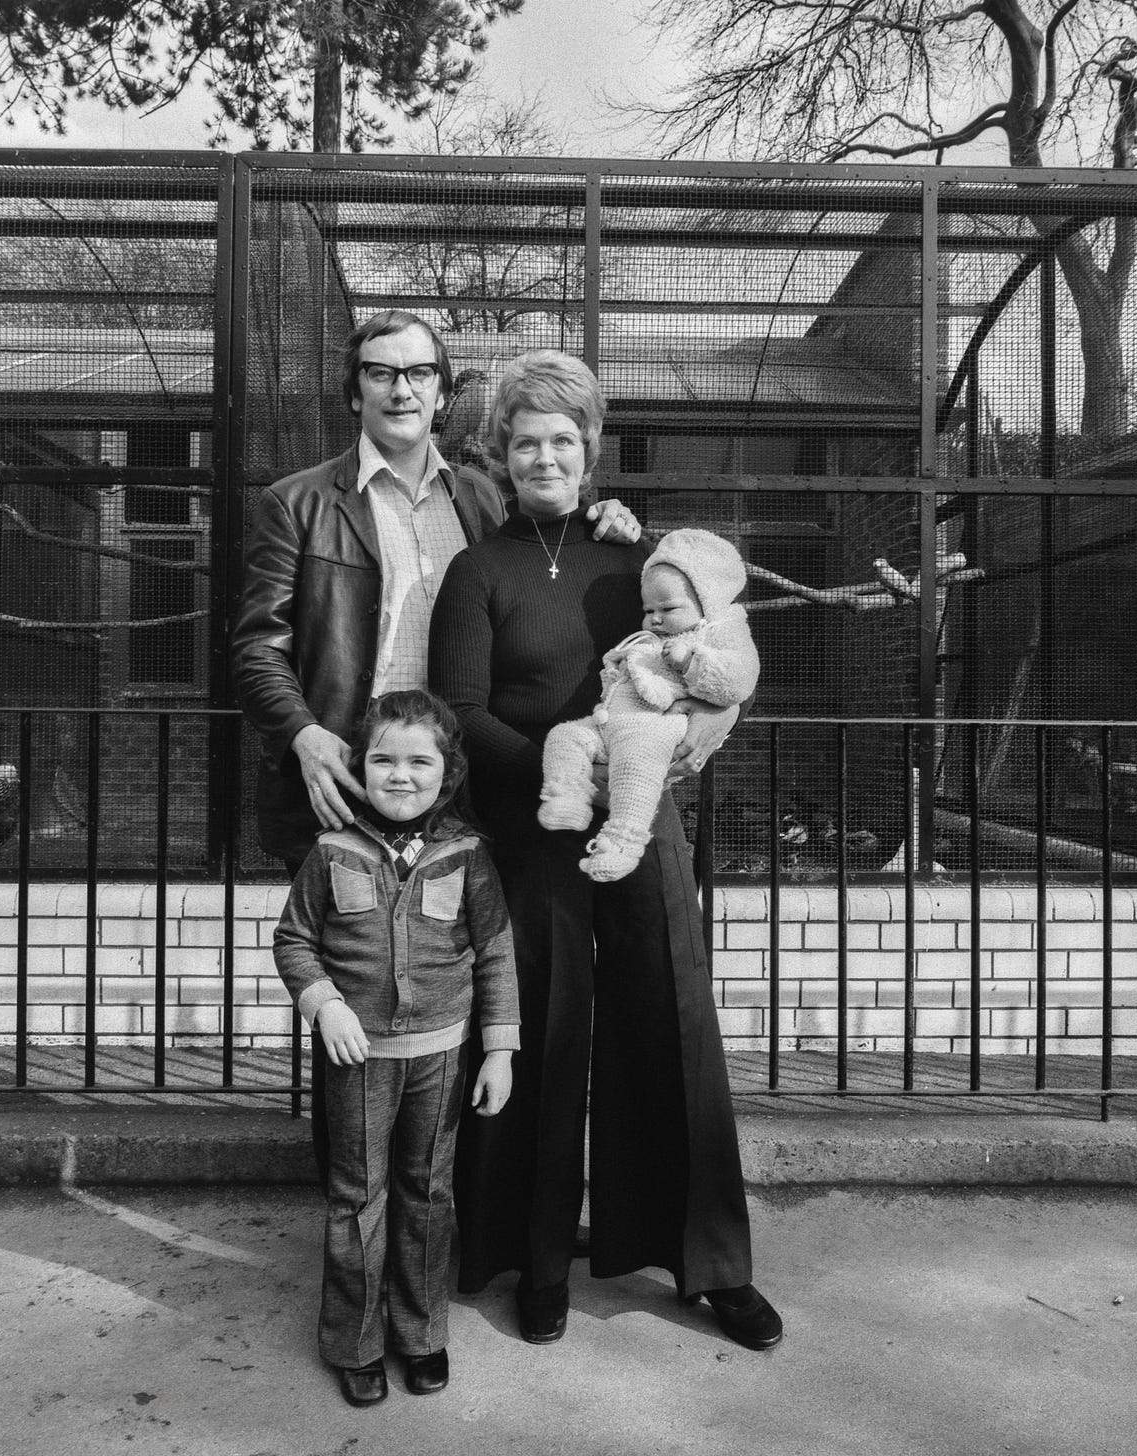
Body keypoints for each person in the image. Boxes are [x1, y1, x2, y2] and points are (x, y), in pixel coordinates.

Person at [429, 349, 783, 1353]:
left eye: (564, 440)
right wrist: (558, 766)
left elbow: (712, 666)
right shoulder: (477, 570)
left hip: (643, 820)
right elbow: (459, 711)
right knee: (539, 1035)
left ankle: (709, 1263)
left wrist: (688, 749)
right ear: (500, 454)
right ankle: (533, 1259)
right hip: (535, 825)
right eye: (526, 439)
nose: (545, 454)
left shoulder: (639, 562)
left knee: (670, 1022)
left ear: (590, 453)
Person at [232, 309, 639, 1175]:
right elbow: (256, 648)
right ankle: (359, 1223)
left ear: (444, 393)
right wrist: (305, 738)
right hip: (356, 782)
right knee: (362, 1005)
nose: (401, 387)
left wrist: (611, 520)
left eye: (419, 373)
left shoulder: (482, 497)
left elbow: (550, 538)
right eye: (381, 371)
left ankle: (446, 1213)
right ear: (354, 391)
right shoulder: (298, 503)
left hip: (468, 789)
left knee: (466, 994)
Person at [272, 689, 519, 1408]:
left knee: (428, 1193)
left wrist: (499, 1048)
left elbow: (496, 950)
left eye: (420, 761)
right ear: (360, 765)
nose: (400, 775)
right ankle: (354, 1342)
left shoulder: (468, 855)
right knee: (357, 1196)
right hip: (358, 1059)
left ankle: (421, 1333)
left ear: (448, 772)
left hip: (442, 1055)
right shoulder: (331, 850)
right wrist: (325, 1007)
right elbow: (294, 941)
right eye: (383, 759)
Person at [538, 528, 760, 882]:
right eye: (648, 610)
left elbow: (739, 680)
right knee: (564, 736)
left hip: (658, 725)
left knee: (636, 767)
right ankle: (567, 796)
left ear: (707, 601)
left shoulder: (714, 635)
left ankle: (623, 841)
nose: (655, 618)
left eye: (668, 608)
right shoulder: (654, 639)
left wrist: (691, 662)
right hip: (611, 723)